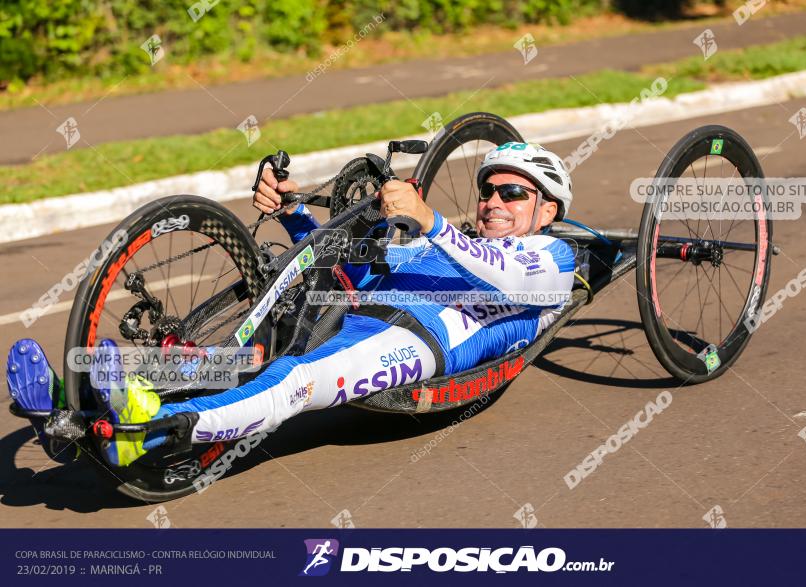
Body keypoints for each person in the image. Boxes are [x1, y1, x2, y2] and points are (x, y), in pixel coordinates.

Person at [7, 143, 577, 467]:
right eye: (488, 190)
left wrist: (430, 222)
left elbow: (506, 278)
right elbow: (352, 265)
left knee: (294, 379)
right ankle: (74, 407)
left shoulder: (552, 258)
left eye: (513, 192)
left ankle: (145, 430)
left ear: (547, 210)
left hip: (415, 344)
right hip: (346, 315)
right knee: (233, 358)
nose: (492, 201)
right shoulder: (444, 246)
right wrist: (290, 209)